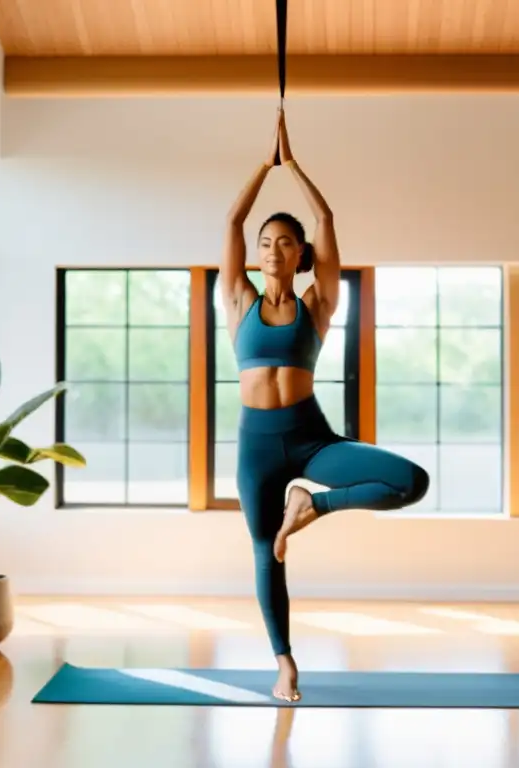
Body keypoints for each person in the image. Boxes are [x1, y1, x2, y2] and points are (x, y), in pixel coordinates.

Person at [219, 108, 430, 702]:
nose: (270, 249)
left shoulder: (319, 303)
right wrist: (267, 162)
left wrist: (299, 166)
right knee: (266, 550)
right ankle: (284, 662)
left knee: (410, 482)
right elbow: (233, 218)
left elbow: (326, 216)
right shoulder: (237, 300)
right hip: (258, 446)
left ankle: (316, 503)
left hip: (311, 437)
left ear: (301, 255)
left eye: (284, 242)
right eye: (264, 242)